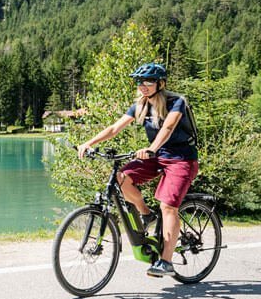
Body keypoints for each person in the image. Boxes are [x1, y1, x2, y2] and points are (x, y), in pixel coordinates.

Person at [77, 63, 199, 278]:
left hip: (181, 159)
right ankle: (146, 213)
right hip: (157, 157)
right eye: (139, 82)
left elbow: (168, 128)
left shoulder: (176, 102)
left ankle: (166, 262)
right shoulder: (141, 105)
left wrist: (151, 148)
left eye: (148, 82)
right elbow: (115, 128)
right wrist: (89, 142)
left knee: (168, 206)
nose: (143, 86)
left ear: (160, 84)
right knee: (121, 178)